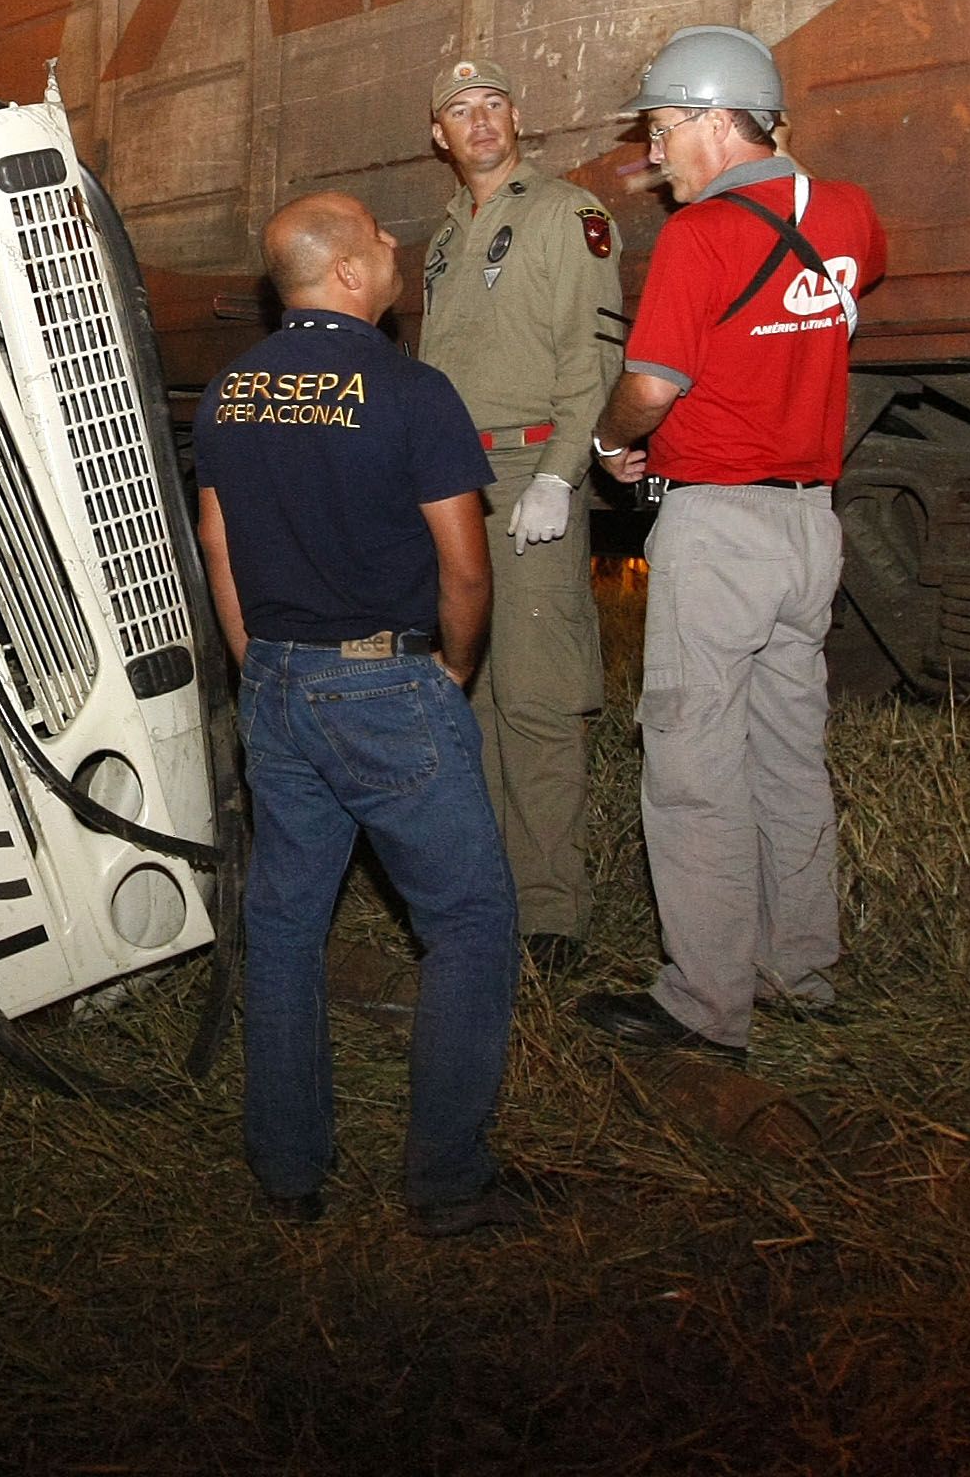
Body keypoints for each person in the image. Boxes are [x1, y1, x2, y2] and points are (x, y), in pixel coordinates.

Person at [192, 191, 554, 1236]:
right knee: (472, 921)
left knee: (288, 925)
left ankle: (289, 1173)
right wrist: (452, 667)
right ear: (349, 273)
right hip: (389, 689)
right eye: (382, 238)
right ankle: (448, 1182)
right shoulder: (412, 392)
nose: (397, 245)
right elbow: (466, 567)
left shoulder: (229, 394)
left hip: (280, 688)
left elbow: (218, 547)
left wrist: (257, 659)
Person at [577, 26, 885, 1064]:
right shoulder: (849, 215)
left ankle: (705, 1004)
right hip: (810, 526)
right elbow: (840, 290)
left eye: (666, 131)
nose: (656, 157)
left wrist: (614, 441)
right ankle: (801, 971)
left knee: (694, 758)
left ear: (718, 120)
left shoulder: (699, 240)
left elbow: (654, 385)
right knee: (790, 756)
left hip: (720, 525)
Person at [415, 53, 626, 976]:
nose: (481, 120)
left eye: (494, 103)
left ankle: (552, 919)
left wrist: (561, 475)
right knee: (477, 694)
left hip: (530, 473)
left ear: (516, 118)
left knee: (536, 698)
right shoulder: (444, 234)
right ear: (440, 136)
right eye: (461, 109)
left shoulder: (565, 215)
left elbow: (593, 357)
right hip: (456, 483)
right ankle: (495, 899)